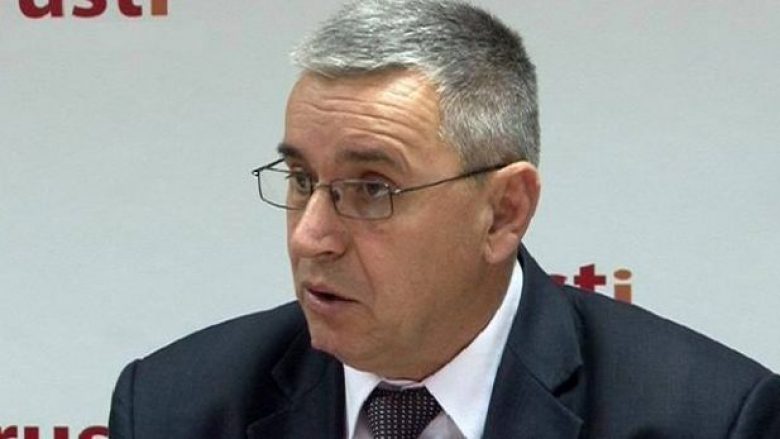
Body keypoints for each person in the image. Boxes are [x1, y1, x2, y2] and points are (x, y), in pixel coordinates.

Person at [108, 1, 780, 437]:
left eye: (371, 188)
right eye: (302, 179)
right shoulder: (174, 407)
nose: (311, 235)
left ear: (503, 212)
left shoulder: (707, 417)